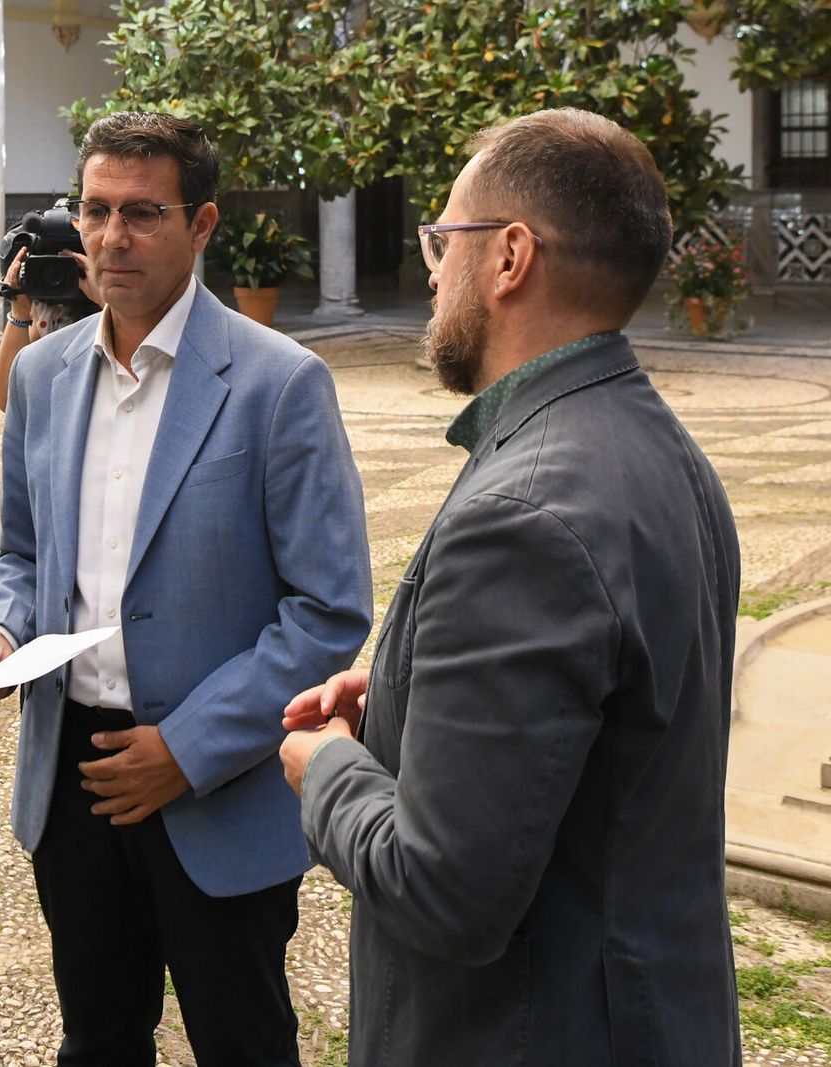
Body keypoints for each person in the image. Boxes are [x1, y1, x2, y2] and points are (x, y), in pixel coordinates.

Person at [278, 107, 743, 1065]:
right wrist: (408, 701)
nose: (434, 270)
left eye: (444, 241)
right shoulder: (662, 449)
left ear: (510, 257)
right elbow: (606, 731)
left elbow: (445, 891)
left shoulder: (524, 512)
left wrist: (324, 768)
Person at [0, 112, 372, 1065]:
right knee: (98, 1037)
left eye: (143, 213)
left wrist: (185, 748)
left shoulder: (279, 384)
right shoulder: (47, 376)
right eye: (96, 211)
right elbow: (22, 555)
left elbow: (328, 606)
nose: (111, 239)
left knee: (244, 1038)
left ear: (204, 224)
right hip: (75, 777)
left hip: (214, 777)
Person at [0, 245, 102, 411]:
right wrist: (19, 313)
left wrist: (104, 297)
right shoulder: (40, 311)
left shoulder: (107, 308)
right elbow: (7, 399)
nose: (56, 272)